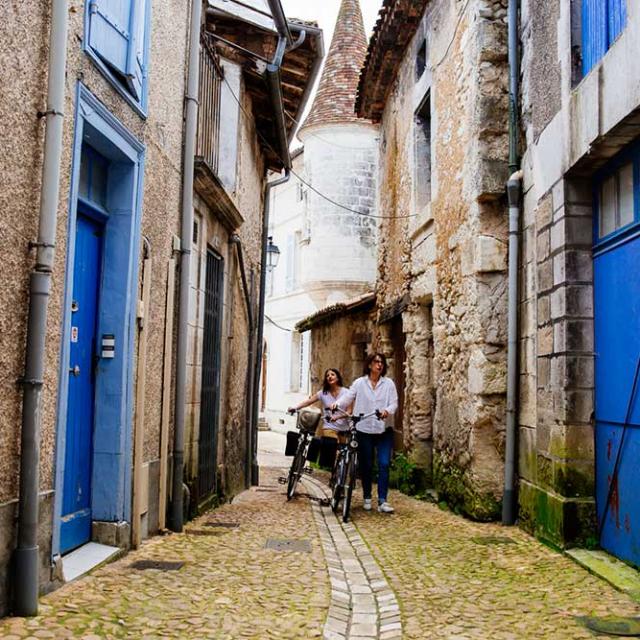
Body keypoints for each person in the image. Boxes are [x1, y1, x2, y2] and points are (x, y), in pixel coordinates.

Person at [335, 353, 398, 514]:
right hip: (364, 429)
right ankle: (367, 496)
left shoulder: (388, 383)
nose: (380, 365)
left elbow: (394, 403)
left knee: (384, 464)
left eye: (382, 362)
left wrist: (387, 411)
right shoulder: (359, 383)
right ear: (369, 365)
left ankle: (383, 500)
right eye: (376, 362)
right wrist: (337, 404)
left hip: (383, 429)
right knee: (366, 465)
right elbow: (348, 397)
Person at [288, 368, 350, 441]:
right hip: (329, 426)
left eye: (332, 374)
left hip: (344, 428)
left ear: (338, 378)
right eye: (327, 376)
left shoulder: (347, 393)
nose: (330, 376)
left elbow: (349, 412)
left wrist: (337, 417)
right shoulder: (323, 393)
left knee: (342, 450)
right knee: (332, 446)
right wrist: (295, 407)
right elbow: (308, 402)